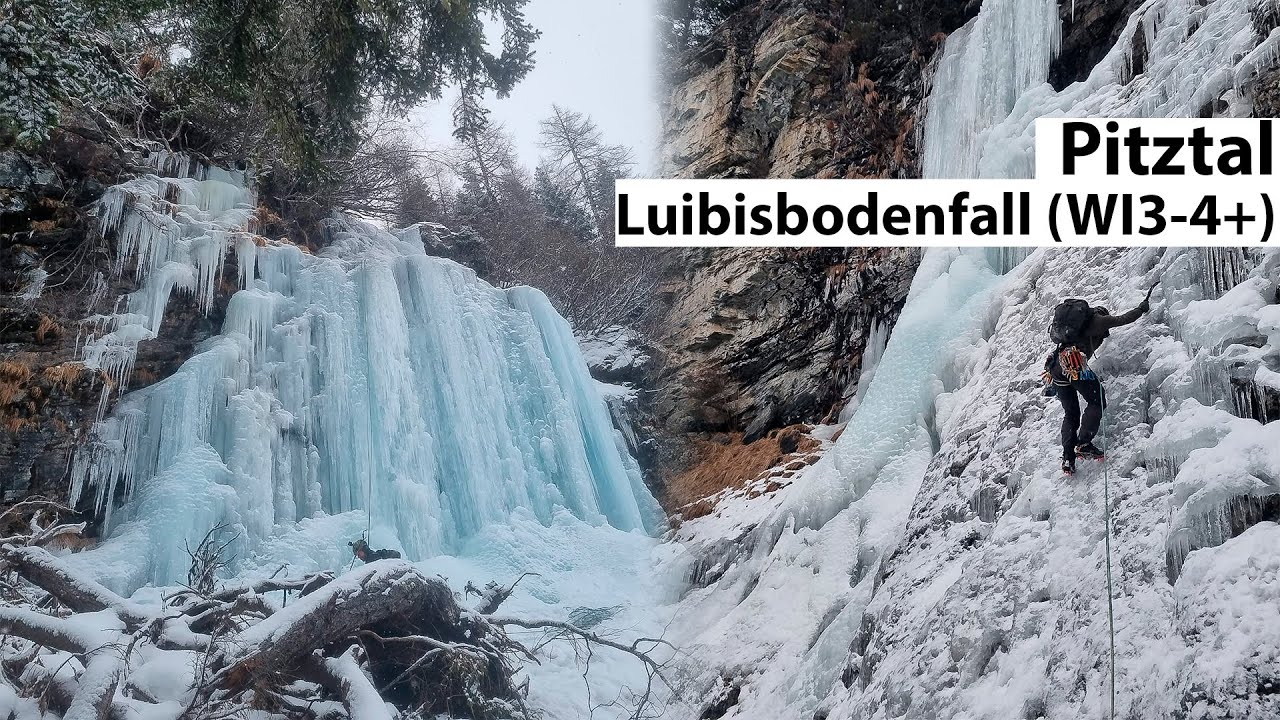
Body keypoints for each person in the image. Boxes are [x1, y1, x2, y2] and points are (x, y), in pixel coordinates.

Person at [1044, 286, 1154, 474]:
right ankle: (1084, 443)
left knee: (1070, 414)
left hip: (1056, 366)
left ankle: (1068, 459)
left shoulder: (1073, 326)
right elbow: (1123, 319)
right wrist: (1142, 308)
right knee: (1097, 400)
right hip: (1075, 365)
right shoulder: (1099, 321)